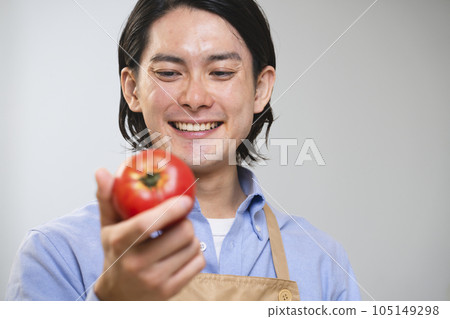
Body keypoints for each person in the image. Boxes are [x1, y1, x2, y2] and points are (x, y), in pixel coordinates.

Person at [6, 0, 361, 301]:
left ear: (260, 89)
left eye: (221, 72)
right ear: (132, 90)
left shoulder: (323, 261)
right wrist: (109, 304)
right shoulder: (56, 254)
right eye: (168, 72)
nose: (194, 99)